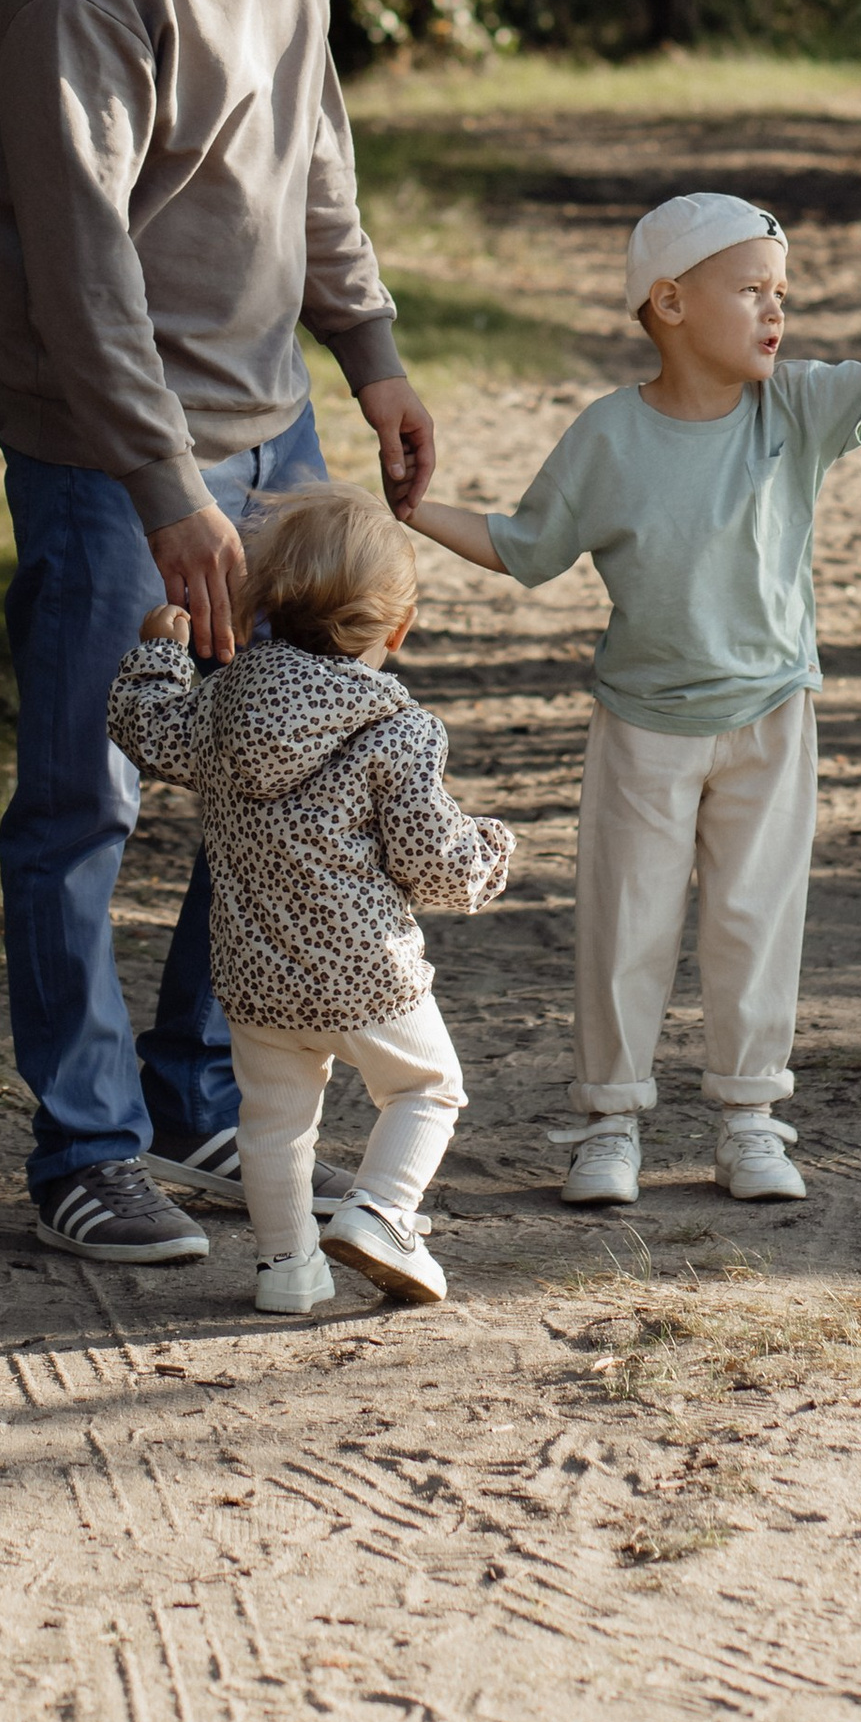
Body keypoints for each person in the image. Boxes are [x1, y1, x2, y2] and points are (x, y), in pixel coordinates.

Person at [0, 0, 450, 1264]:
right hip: (114, 458)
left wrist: (368, 347)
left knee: (282, 775)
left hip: (274, 435)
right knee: (85, 796)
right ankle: (83, 1152)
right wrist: (167, 488)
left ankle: (195, 1094)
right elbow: (81, 260)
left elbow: (314, 158)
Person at [403, 190, 861, 1210]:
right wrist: (409, 510)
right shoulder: (606, 438)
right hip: (641, 724)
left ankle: (749, 1119)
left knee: (754, 918)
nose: (777, 311)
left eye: (785, 292)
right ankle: (608, 1124)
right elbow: (524, 549)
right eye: (752, 291)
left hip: (771, 713)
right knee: (625, 924)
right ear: (670, 303)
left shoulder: (799, 406)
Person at [108, 483, 512, 1313]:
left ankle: (286, 1272)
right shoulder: (396, 731)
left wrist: (157, 654)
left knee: (274, 1124)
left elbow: (145, 728)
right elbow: (436, 863)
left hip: (256, 980)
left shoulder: (220, 707)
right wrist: (490, 853)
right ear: (395, 630)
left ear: (263, 606)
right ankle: (382, 1214)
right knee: (427, 1088)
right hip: (368, 974)